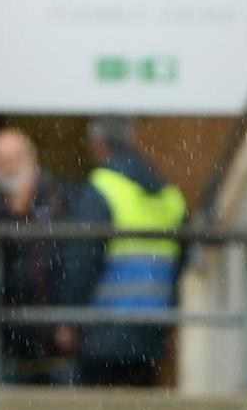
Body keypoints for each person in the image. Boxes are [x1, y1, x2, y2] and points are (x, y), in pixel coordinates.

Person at [0, 127, 90, 385]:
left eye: (16, 158)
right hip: (7, 343)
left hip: (59, 339)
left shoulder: (63, 198)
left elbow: (79, 260)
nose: (10, 167)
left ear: (33, 160)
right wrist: (11, 212)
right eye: (1, 161)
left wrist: (70, 317)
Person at [74, 116, 183, 388]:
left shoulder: (101, 188)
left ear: (97, 144)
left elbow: (81, 261)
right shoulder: (170, 196)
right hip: (154, 328)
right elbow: (182, 262)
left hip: (104, 329)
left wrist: (70, 315)